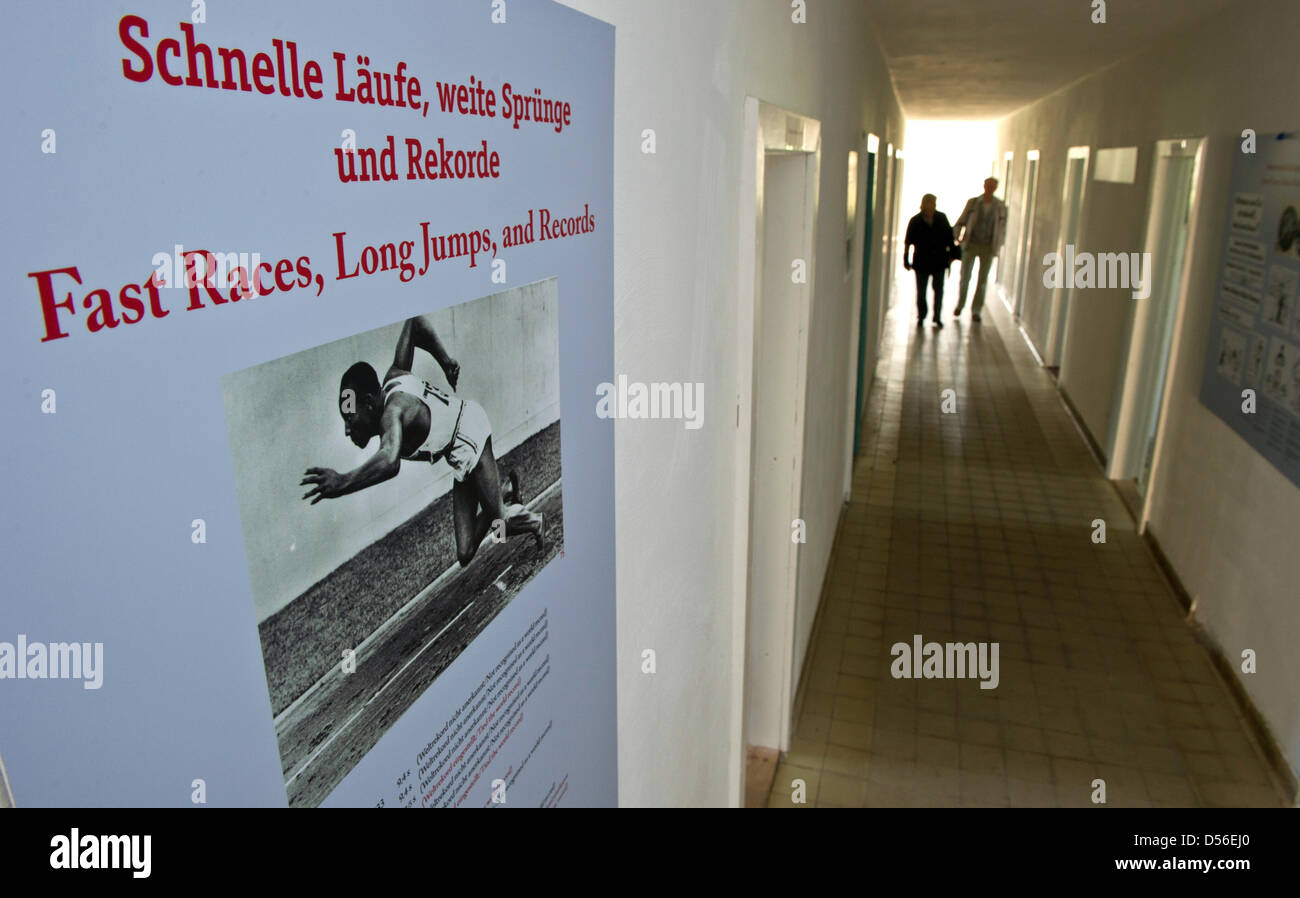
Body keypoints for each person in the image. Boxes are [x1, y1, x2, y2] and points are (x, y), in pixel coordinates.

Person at [301, 315, 544, 567]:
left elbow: (389, 461)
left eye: (349, 418)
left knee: (500, 524)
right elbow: (414, 324)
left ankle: (534, 521)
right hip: (457, 450)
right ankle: (502, 493)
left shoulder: (393, 412)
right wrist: (446, 361)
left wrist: (342, 482)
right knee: (465, 552)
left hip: (471, 433)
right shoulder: (394, 375)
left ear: (369, 403)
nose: (346, 430)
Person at [952, 177, 1008, 322]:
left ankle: (976, 310)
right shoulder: (973, 203)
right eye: (987, 185)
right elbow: (961, 220)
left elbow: (1003, 229)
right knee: (965, 276)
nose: (989, 188)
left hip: (988, 247)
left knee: (982, 280)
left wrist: (998, 244)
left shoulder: (1000, 206)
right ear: (984, 186)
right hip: (971, 244)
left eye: (992, 186)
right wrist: (957, 238)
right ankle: (960, 304)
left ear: (995, 188)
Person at [903, 194, 956, 328]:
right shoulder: (915, 220)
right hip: (922, 261)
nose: (931, 205)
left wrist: (952, 255)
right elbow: (908, 241)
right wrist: (906, 258)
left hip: (939, 261)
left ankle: (937, 316)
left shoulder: (941, 218)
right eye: (929, 203)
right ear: (923, 204)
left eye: (933, 203)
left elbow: (949, 238)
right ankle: (921, 315)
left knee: (939, 290)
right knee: (921, 291)